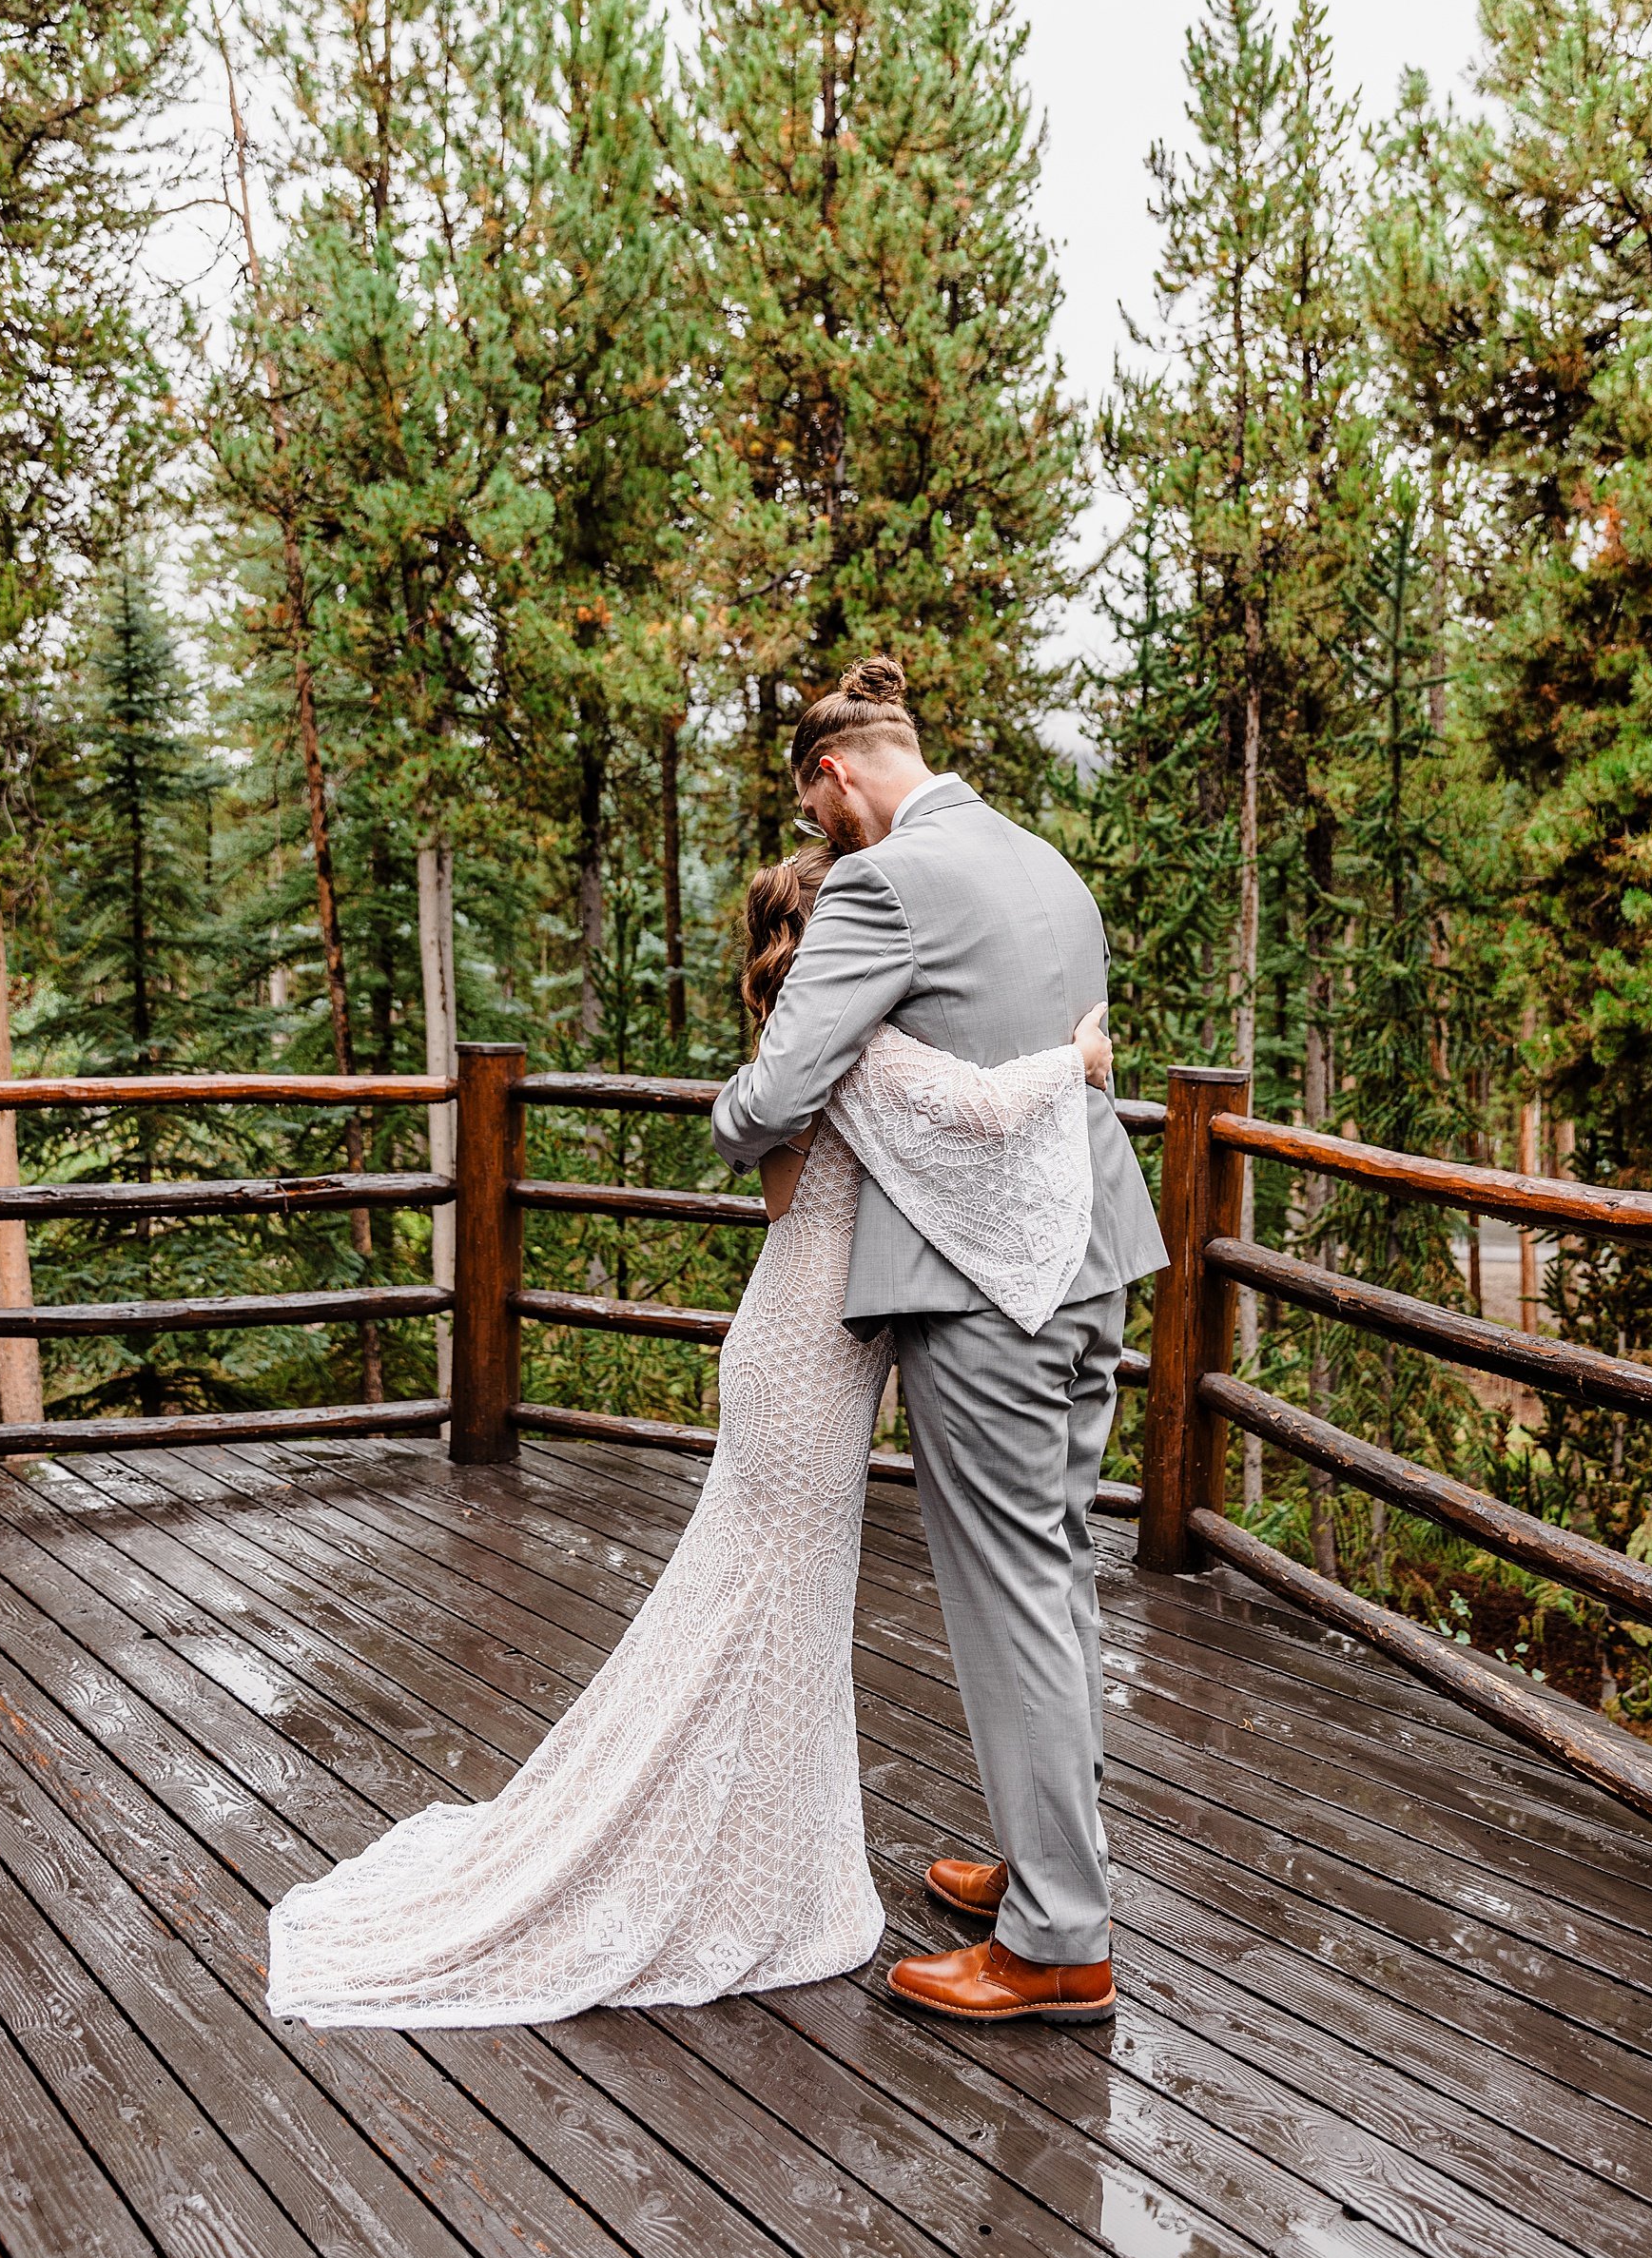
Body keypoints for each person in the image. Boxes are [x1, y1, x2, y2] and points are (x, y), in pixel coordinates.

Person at [264, 846, 1115, 2029]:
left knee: (777, 1605)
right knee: (763, 1603)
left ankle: (764, 1845)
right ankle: (727, 1861)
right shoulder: (855, 1046)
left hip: (798, 1337)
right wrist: (1072, 1057)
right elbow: (975, 1109)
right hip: (810, 1359)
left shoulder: (801, 1049)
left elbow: (797, 1192)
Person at [711, 653, 1166, 2025]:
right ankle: (1048, 1863)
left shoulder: (882, 881)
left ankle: (1057, 1939)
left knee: (1010, 1587)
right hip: (1095, 1260)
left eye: (814, 813)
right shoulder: (1049, 863)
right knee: (1060, 1567)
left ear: (839, 774)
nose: (818, 842)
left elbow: (776, 1090)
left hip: (986, 1290)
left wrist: (736, 1112)